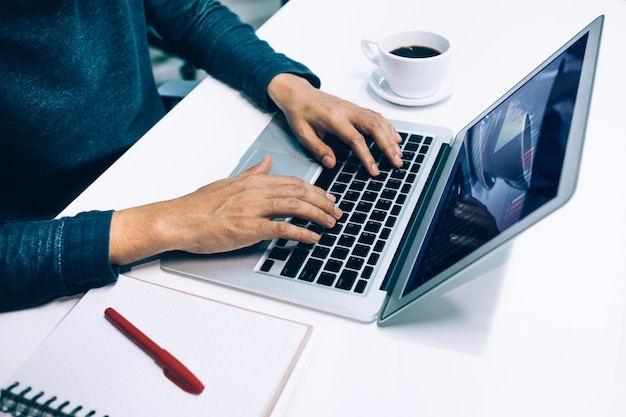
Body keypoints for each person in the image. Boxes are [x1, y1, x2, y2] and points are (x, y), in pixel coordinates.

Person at [0, 0, 403, 312]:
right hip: (54, 232)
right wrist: (166, 223)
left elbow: (190, 14)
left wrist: (288, 86)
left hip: (160, 158)